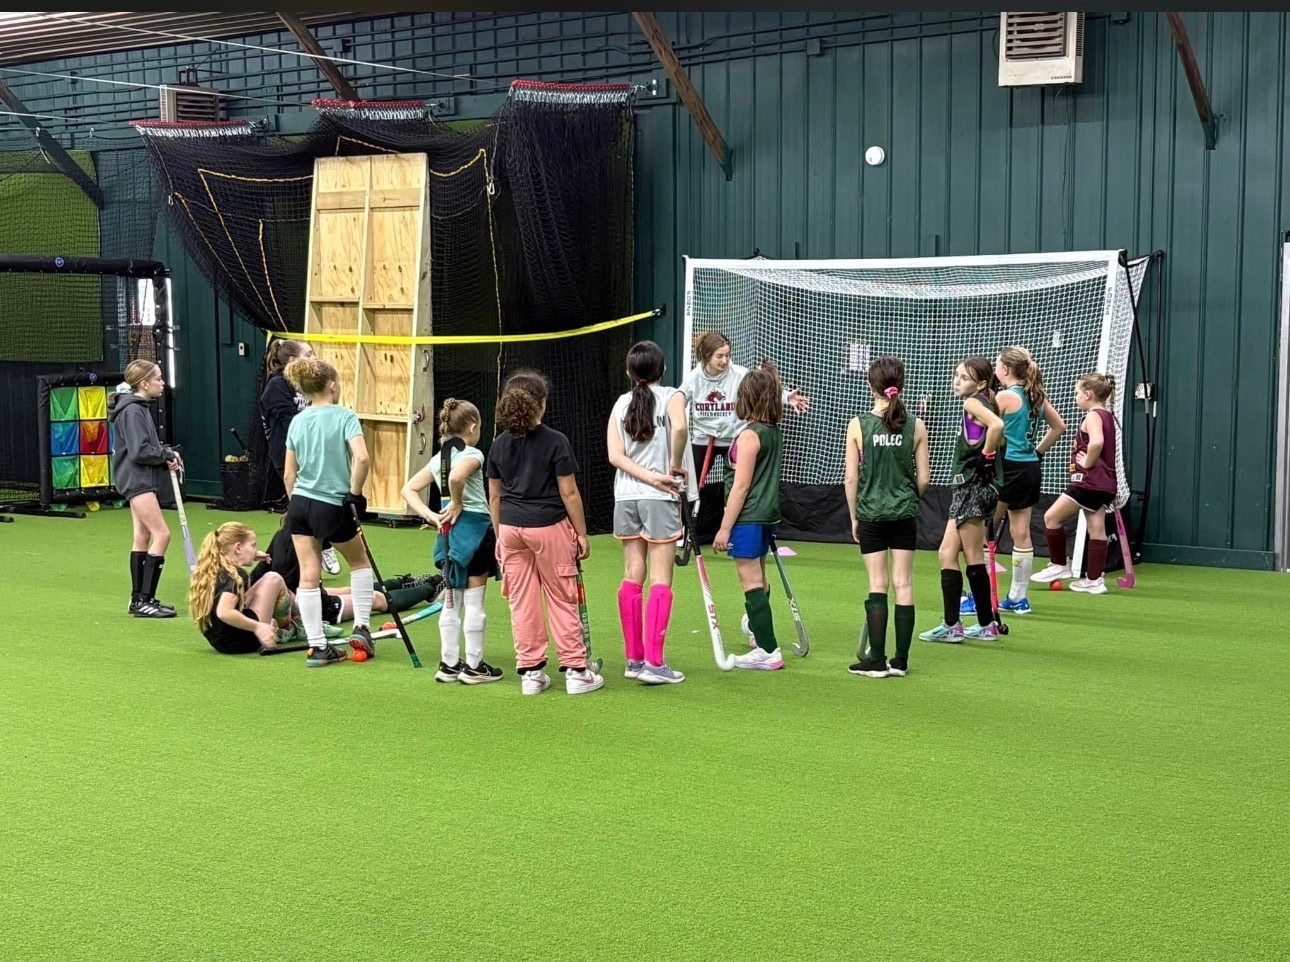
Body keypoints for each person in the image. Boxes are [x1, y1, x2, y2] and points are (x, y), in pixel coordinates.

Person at [486, 370, 604, 695]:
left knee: (521, 601)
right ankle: (577, 671)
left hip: (510, 529)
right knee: (562, 597)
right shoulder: (556, 441)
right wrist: (581, 533)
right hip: (548, 527)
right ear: (540, 404)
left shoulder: (498, 444)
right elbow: (569, 493)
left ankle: (531, 674)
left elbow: (494, 496)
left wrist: (499, 535)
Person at [402, 398, 504, 686]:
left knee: (451, 597)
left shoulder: (438, 459)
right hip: (476, 529)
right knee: (474, 602)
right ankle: (474, 666)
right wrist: (457, 502)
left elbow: (408, 488)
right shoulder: (474, 454)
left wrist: (431, 515)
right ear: (472, 427)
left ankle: (448, 664)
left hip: (448, 534)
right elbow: (459, 477)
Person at [607, 341, 690, 685]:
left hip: (626, 497)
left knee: (631, 572)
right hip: (659, 498)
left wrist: (646, 476)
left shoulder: (620, 403)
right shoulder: (673, 396)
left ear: (630, 371)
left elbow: (616, 456)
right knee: (660, 577)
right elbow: (681, 428)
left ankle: (634, 659)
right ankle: (655, 664)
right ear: (663, 369)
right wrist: (668, 469)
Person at [282, 357, 372, 668]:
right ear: (332, 385)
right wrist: (355, 494)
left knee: (309, 574)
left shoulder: (298, 420)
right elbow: (361, 458)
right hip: (332, 503)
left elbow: (288, 475)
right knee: (359, 562)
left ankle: (317, 647)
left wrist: (296, 503)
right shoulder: (345, 416)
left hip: (300, 505)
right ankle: (362, 627)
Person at [679, 331, 810, 544]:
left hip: (734, 439)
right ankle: (686, 532)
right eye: (719, 356)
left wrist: (787, 397)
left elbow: (763, 386)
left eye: (727, 355)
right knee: (693, 487)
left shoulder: (739, 374)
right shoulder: (694, 378)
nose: (725, 360)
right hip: (704, 439)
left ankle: (734, 531)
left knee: (736, 485)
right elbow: (680, 398)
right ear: (706, 357)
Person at [843, 356, 930, 678]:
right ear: (901, 385)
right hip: (905, 513)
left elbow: (851, 479)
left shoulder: (858, 424)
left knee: (877, 584)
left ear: (871, 385)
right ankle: (901, 661)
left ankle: (876, 660)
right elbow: (924, 479)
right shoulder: (916, 424)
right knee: (904, 584)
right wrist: (908, 499)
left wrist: (854, 515)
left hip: (871, 513)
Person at [920, 356, 1005, 644]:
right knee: (947, 553)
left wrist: (986, 458)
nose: (957, 381)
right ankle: (963, 623)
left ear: (980, 383)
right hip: (973, 487)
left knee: (971, 556)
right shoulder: (984, 400)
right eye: (956, 375)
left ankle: (973, 624)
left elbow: (996, 427)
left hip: (973, 486)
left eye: (964, 377)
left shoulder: (973, 403)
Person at [713, 361, 788, 671]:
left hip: (748, 516)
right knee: (759, 575)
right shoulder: (773, 431)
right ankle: (760, 636)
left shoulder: (749, 436)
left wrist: (724, 528)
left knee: (750, 579)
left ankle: (768, 651)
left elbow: (741, 486)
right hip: (768, 514)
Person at [248, 515, 442, 632]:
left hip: (301, 592)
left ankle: (403, 583)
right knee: (375, 599)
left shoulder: (282, 534)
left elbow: (260, 575)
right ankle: (431, 586)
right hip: (313, 603)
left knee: (353, 589)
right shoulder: (307, 542)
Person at [989, 346, 1065, 615]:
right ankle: (1018, 597)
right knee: (1021, 532)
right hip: (1030, 468)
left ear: (1005, 370)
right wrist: (1037, 452)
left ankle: (981, 596)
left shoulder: (1005, 397)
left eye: (997, 363)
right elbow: (1059, 427)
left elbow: (989, 429)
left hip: (1006, 468)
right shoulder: (1036, 397)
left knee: (984, 529)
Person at [1031, 373, 1120, 594]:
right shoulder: (1108, 415)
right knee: (1096, 528)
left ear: (1088, 394)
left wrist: (1087, 462)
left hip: (1087, 483)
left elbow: (1097, 442)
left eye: (1077, 393)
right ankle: (1094, 580)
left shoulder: (1092, 416)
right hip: (1105, 484)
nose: (1075, 398)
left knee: (1051, 517)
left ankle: (1059, 565)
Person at [260, 338, 341, 577]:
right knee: (301, 507)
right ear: (293, 361)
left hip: (310, 454)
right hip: (287, 457)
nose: (314, 358)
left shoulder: (305, 386)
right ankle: (320, 547)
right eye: (309, 354)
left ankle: (300, 555)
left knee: (305, 507)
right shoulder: (277, 385)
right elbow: (289, 421)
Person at [108, 359, 182, 619]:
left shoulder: (138, 408)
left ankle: (137, 600)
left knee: (142, 536)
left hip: (137, 477)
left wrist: (164, 457)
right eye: (159, 378)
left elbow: (141, 449)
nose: (163, 383)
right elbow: (140, 451)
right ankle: (144, 600)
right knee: (162, 535)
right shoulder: (132, 411)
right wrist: (165, 454)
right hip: (137, 480)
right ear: (144, 383)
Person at [188, 522, 291, 654]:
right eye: (253, 545)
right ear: (238, 548)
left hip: (220, 641)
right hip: (242, 641)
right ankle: (288, 629)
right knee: (273, 578)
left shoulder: (212, 567)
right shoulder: (236, 575)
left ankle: (281, 624)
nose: (255, 549)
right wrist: (258, 627)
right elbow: (224, 612)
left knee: (268, 582)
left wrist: (252, 555)